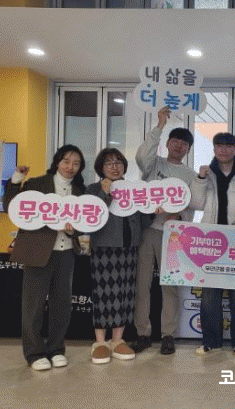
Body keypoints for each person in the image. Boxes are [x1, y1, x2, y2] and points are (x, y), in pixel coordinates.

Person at [3, 145, 85, 371]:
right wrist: (16, 178)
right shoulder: (38, 184)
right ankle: (34, 353)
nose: (70, 167)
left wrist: (73, 230)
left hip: (66, 252)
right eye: (66, 161)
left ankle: (56, 349)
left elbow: (84, 223)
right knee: (34, 305)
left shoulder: (79, 191)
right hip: (38, 251)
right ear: (57, 162)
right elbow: (11, 205)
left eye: (76, 163)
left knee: (62, 306)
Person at [189, 132, 235, 358]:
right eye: (219, 146)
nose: (223, 150)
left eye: (228, 146)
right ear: (214, 149)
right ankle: (210, 341)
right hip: (210, 244)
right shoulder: (207, 173)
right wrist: (200, 179)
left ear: (234, 149)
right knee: (209, 297)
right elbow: (196, 203)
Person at [132, 107, 197, 355]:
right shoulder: (153, 165)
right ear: (168, 143)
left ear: (188, 149)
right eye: (175, 141)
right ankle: (143, 333)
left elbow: (192, 205)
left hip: (173, 235)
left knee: (170, 285)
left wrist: (180, 215)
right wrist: (159, 125)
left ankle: (168, 334)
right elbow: (142, 155)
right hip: (147, 230)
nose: (179, 145)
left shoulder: (189, 175)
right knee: (142, 284)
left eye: (184, 143)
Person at [85, 148, 142, 364]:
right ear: (101, 168)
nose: (114, 167)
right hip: (104, 247)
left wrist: (153, 209)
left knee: (125, 293)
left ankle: (118, 340)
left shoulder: (132, 189)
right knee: (103, 293)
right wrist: (105, 192)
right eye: (109, 163)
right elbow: (93, 215)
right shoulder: (92, 189)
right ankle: (100, 342)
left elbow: (143, 220)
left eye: (118, 162)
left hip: (130, 247)